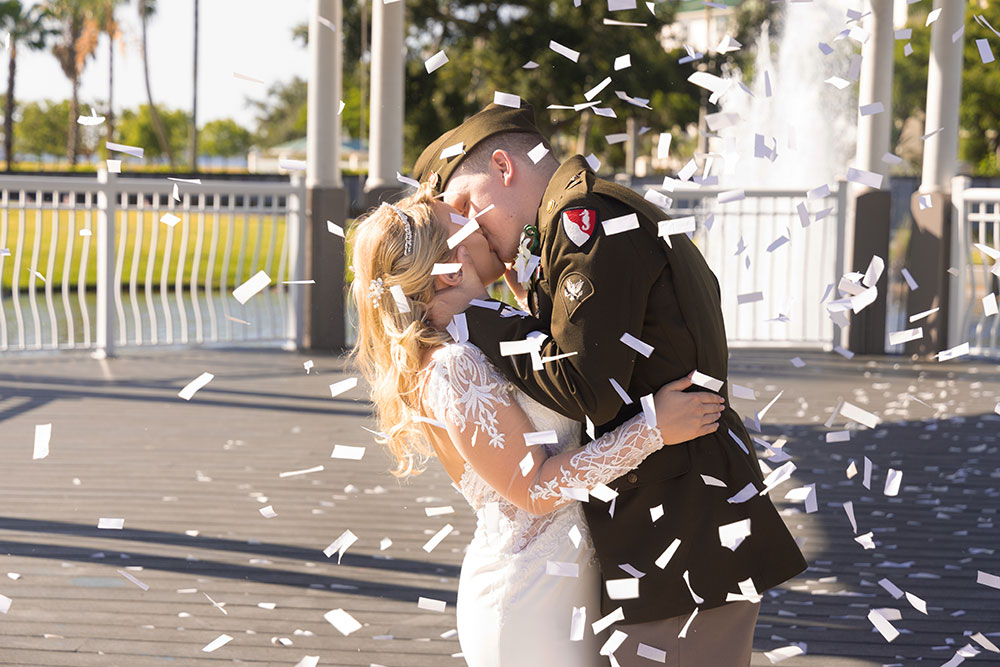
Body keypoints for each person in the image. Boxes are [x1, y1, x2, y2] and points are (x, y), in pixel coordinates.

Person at [413, 102, 808, 666]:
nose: (469, 229)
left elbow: (585, 385)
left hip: (682, 532)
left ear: (504, 166)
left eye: (465, 205)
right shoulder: (580, 225)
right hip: (669, 527)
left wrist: (478, 315)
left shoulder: (588, 224)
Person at [348, 184, 727, 667]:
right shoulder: (453, 366)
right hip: (530, 598)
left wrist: (532, 302)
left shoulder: (470, 342)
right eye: (463, 219)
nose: (480, 221)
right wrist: (653, 428)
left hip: (564, 585)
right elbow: (534, 488)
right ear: (450, 266)